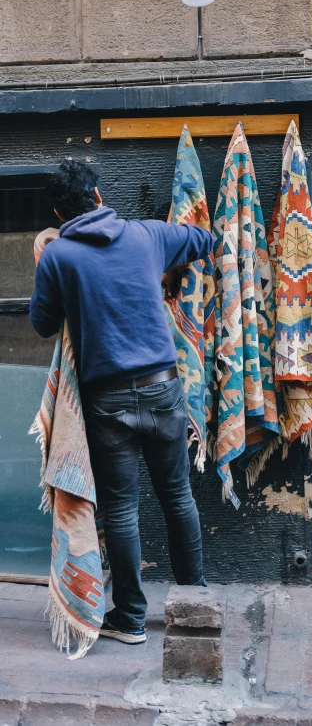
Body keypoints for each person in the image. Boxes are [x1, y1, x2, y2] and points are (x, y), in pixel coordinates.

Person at [30, 160, 213, 645]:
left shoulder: (58, 257)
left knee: (122, 510)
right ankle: (195, 606)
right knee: (178, 496)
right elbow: (201, 240)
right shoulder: (146, 237)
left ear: (57, 210)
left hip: (106, 400)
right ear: (96, 194)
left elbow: (43, 323)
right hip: (162, 388)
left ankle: (130, 619)